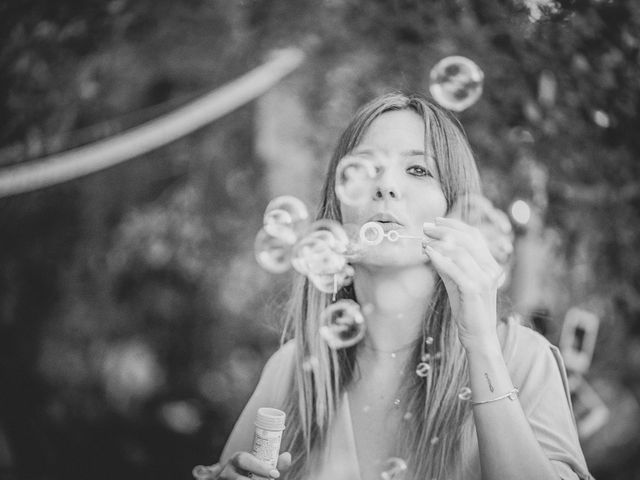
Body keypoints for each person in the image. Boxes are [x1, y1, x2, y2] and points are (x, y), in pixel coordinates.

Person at [194, 92, 593, 479]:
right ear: (338, 210)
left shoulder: (521, 359)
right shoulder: (292, 370)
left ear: (455, 209)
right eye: (365, 168)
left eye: (418, 169)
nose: (385, 186)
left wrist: (480, 343)